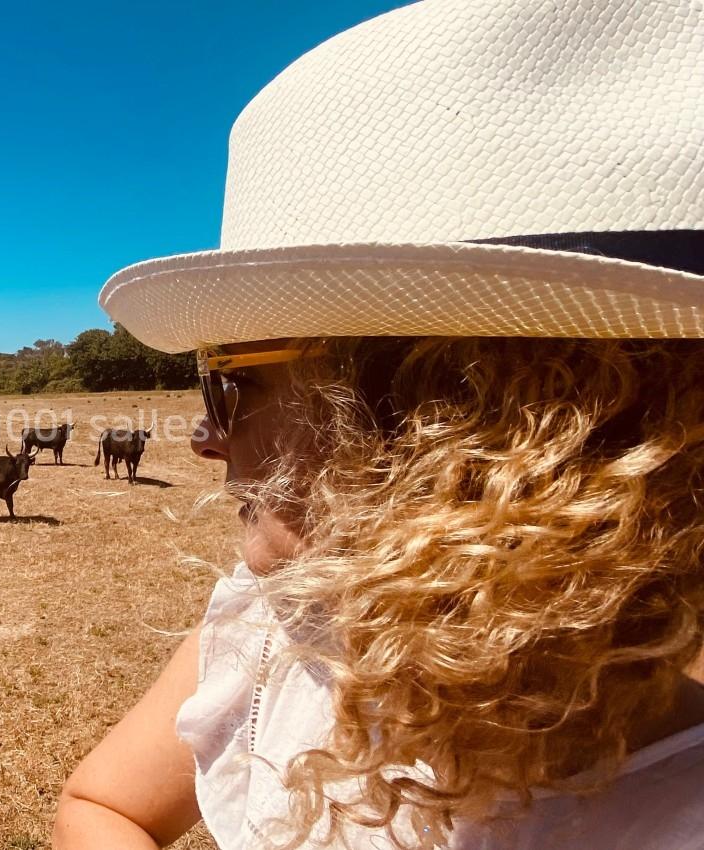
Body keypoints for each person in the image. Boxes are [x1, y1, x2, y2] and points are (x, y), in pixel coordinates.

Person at [53, 0, 704, 847]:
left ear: (431, 424)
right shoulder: (283, 625)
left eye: (228, 386)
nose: (207, 437)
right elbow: (102, 806)